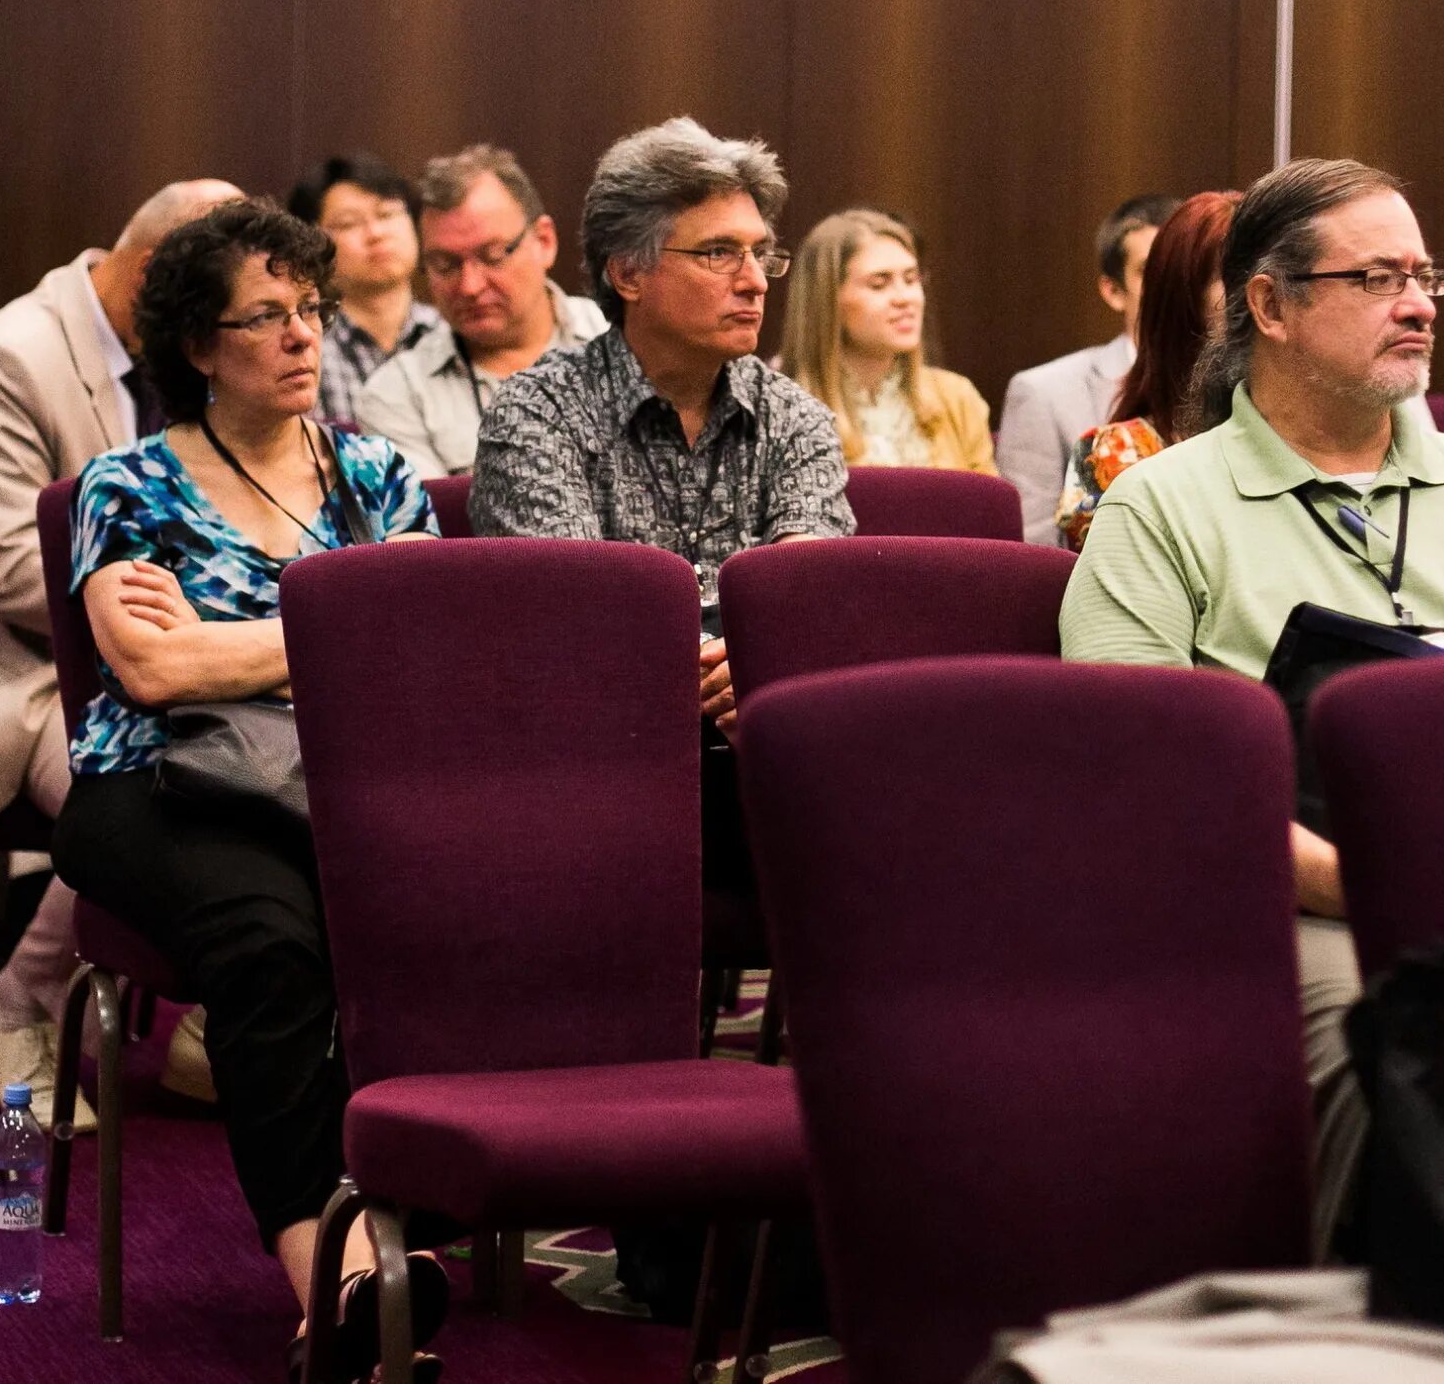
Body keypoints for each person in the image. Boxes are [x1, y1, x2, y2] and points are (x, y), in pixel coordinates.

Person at [1059, 157, 1444, 1257]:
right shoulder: (1163, 508)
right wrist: (1364, 879)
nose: (1418, 303)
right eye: (1377, 278)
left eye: (1424, 277)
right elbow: (1149, 795)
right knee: (1411, 1049)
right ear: (1268, 303)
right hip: (1304, 908)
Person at [47, 198, 440, 1374]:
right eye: (263, 317)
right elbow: (154, 670)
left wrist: (248, 639)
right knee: (274, 942)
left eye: (310, 310)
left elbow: (432, 647)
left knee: (437, 916)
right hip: (160, 788)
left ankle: (415, 1222)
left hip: (342, 782)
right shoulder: (124, 487)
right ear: (198, 348)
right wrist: (339, 622)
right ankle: (337, 1276)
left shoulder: (373, 472)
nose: (300, 336)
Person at [0, 177, 241, 1125]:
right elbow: (2, 565)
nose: (227, 333)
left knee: (294, 762)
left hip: (188, 666)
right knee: (155, 777)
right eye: (210, 308)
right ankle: (21, 1003)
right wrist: (193, 618)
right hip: (21, 674)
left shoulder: (216, 351)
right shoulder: (10, 355)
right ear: (150, 276)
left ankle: (215, 1021)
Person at [471, 117, 854, 888]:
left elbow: (812, 600)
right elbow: (576, 623)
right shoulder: (537, 413)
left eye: (759, 253)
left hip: (765, 751)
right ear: (627, 273)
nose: (753, 281)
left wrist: (763, 661)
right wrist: (737, 657)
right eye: (718, 253)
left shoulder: (797, 417)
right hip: (600, 763)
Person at [353, 143, 607, 478]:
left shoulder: (622, 340)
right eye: (445, 265)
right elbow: (433, 526)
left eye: (492, 256)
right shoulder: (395, 395)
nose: (470, 286)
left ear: (544, 242)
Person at [1053, 190, 1242, 549]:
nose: (1262, 291)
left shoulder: (1316, 442)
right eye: (1233, 275)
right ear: (1183, 297)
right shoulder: (1114, 457)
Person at [998, 194, 1181, 547]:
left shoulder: (1242, 384)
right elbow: (1033, 552)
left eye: (1180, 268)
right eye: (1150, 271)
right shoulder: (1044, 393)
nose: (1169, 284)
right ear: (1114, 291)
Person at [774, 208, 995, 472]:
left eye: (911, 279)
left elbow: (988, 510)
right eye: (879, 284)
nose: (905, 298)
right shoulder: (778, 409)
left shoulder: (957, 399)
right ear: (828, 300)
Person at [288, 153, 445, 432]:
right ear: (312, 242)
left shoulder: (452, 335)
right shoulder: (303, 345)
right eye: (349, 223)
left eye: (387, 214)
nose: (375, 233)